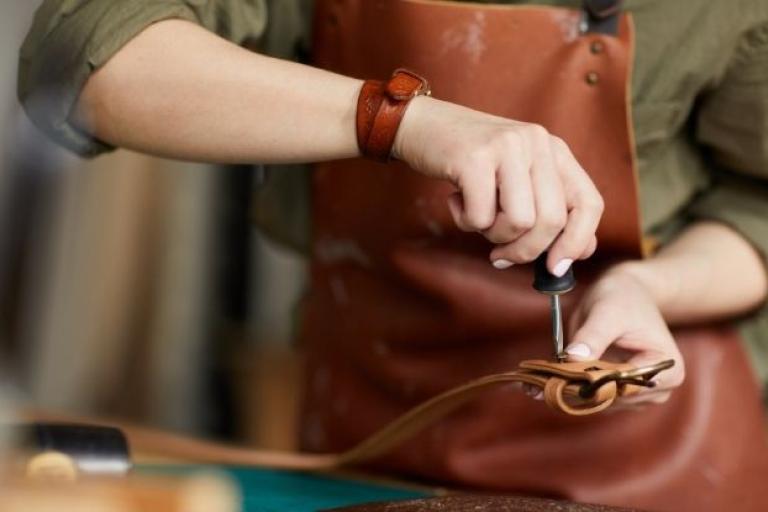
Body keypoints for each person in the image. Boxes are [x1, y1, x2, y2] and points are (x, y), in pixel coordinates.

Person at [17, 0, 768, 510]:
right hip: (372, 422)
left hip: (655, 454)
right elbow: (81, 54)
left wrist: (651, 287)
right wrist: (401, 121)